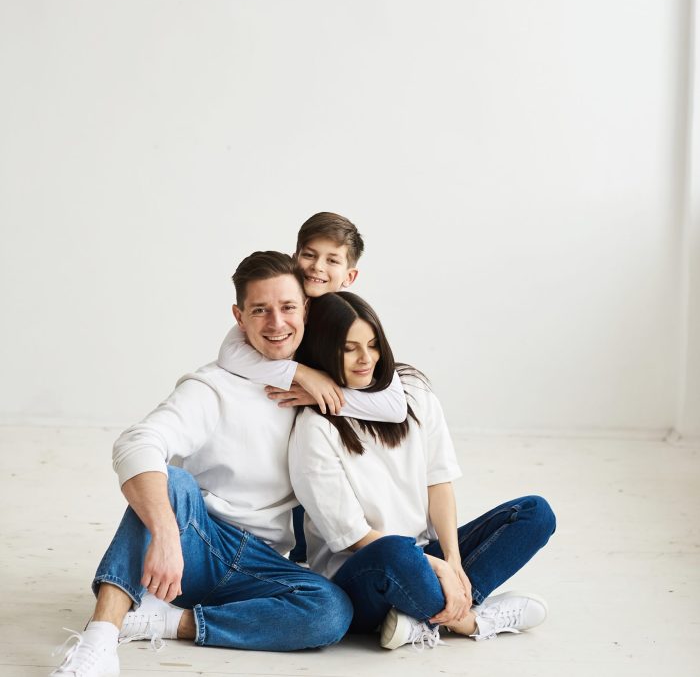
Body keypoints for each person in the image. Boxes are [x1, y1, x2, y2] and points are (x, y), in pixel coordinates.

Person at [51, 252, 379, 677]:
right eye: (260, 310)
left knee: (331, 612)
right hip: (197, 545)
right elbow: (137, 442)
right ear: (239, 318)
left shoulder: (325, 382)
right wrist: (167, 534)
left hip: (260, 561)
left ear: (307, 310)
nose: (276, 323)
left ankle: (167, 620)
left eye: (288, 308)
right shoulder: (212, 387)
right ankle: (98, 641)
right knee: (172, 480)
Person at [288, 292, 557, 650]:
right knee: (397, 553)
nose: (366, 358)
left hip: (420, 555)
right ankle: (472, 620)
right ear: (323, 351)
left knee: (535, 513)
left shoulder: (411, 393)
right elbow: (353, 536)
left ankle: (420, 619)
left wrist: (453, 560)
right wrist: (440, 568)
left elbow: (438, 481)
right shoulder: (314, 427)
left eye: (373, 344)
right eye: (349, 348)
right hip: (364, 569)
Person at [216, 212, 407, 565]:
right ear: (295, 255)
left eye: (332, 260)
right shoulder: (281, 298)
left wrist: (328, 396)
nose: (317, 266)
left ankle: (335, 550)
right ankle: (293, 551)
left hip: (324, 439)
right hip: (278, 433)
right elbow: (230, 353)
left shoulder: (351, 317)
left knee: (320, 480)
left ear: (349, 276)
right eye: (309, 253)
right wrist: (302, 374)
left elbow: (394, 406)